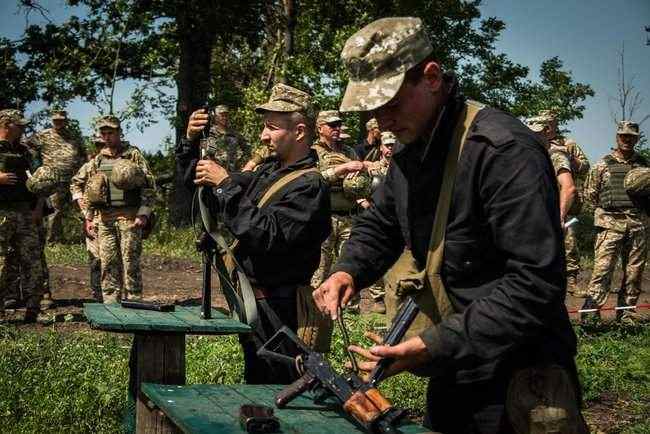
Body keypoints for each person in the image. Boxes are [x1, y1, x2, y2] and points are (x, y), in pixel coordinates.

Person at [312, 17, 583, 433]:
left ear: (432, 77)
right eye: (372, 109)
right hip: (453, 364)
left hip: (518, 372)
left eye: (392, 104)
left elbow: (536, 283)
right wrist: (349, 269)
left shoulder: (502, 152)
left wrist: (430, 344)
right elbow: (381, 222)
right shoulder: (413, 147)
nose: (382, 121)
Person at [186, 83, 331, 384]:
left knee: (279, 389)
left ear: (300, 132)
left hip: (283, 311)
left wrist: (225, 184)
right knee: (258, 381)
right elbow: (208, 190)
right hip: (258, 305)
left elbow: (266, 236)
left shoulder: (309, 186)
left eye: (271, 128)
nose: (263, 136)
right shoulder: (268, 172)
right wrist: (190, 145)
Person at [70, 115, 155, 303]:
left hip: (129, 218)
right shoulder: (97, 160)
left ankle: (134, 300)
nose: (107, 137)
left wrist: (144, 213)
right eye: (104, 133)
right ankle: (111, 304)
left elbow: (149, 185)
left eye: (111, 133)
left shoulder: (133, 155)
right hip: (105, 219)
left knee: (130, 262)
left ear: (119, 132)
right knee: (108, 263)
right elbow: (78, 184)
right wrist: (88, 216)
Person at [582, 121, 648, 324]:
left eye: (631, 136)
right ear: (617, 137)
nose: (627, 139)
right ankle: (591, 314)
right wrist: (606, 215)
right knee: (602, 271)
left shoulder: (644, 167)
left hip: (638, 224)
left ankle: (626, 314)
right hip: (610, 224)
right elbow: (590, 195)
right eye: (623, 136)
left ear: (636, 139)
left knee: (634, 273)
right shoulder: (602, 164)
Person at [310, 110, 366, 313]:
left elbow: (361, 178)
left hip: (349, 216)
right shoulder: (312, 152)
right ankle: (316, 310)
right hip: (324, 216)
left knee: (349, 264)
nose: (337, 129)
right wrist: (341, 171)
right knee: (320, 266)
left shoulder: (349, 151)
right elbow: (310, 181)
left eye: (339, 125)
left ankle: (351, 309)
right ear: (320, 128)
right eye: (332, 125)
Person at [529, 111, 589, 296]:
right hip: (542, 200)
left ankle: (571, 281)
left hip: (564, 201)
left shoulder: (567, 145)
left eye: (551, 123)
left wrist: (568, 158)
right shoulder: (533, 143)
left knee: (568, 242)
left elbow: (585, 167)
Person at [0, 109, 45, 323]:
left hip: (25, 212)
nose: (23, 128)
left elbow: (41, 179)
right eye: (19, 125)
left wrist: (38, 208)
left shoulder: (25, 151)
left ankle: (33, 308)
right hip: (2, 213)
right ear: (7, 124)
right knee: (2, 262)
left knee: (32, 260)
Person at [26, 110, 87, 243]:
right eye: (56, 120)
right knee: (55, 211)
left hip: (74, 180)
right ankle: (53, 241)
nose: (58, 122)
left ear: (66, 120)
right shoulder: (43, 135)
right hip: (53, 180)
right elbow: (26, 147)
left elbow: (84, 154)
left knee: (80, 209)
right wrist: (35, 168)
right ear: (52, 120)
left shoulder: (74, 136)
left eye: (61, 119)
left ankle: (86, 238)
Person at [363, 131, 398, 314]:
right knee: (376, 256)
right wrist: (363, 202)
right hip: (377, 218)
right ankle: (377, 298)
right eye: (387, 145)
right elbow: (356, 188)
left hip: (398, 220)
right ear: (381, 147)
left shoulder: (402, 167)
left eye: (393, 145)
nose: (390, 148)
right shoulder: (372, 168)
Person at [72, 134, 106, 302]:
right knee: (96, 258)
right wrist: (85, 211)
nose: (102, 148)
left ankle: (116, 295)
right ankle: (98, 295)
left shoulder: (122, 163)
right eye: (98, 145)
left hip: (115, 218)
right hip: (93, 218)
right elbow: (75, 184)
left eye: (104, 144)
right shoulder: (90, 166)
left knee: (116, 259)